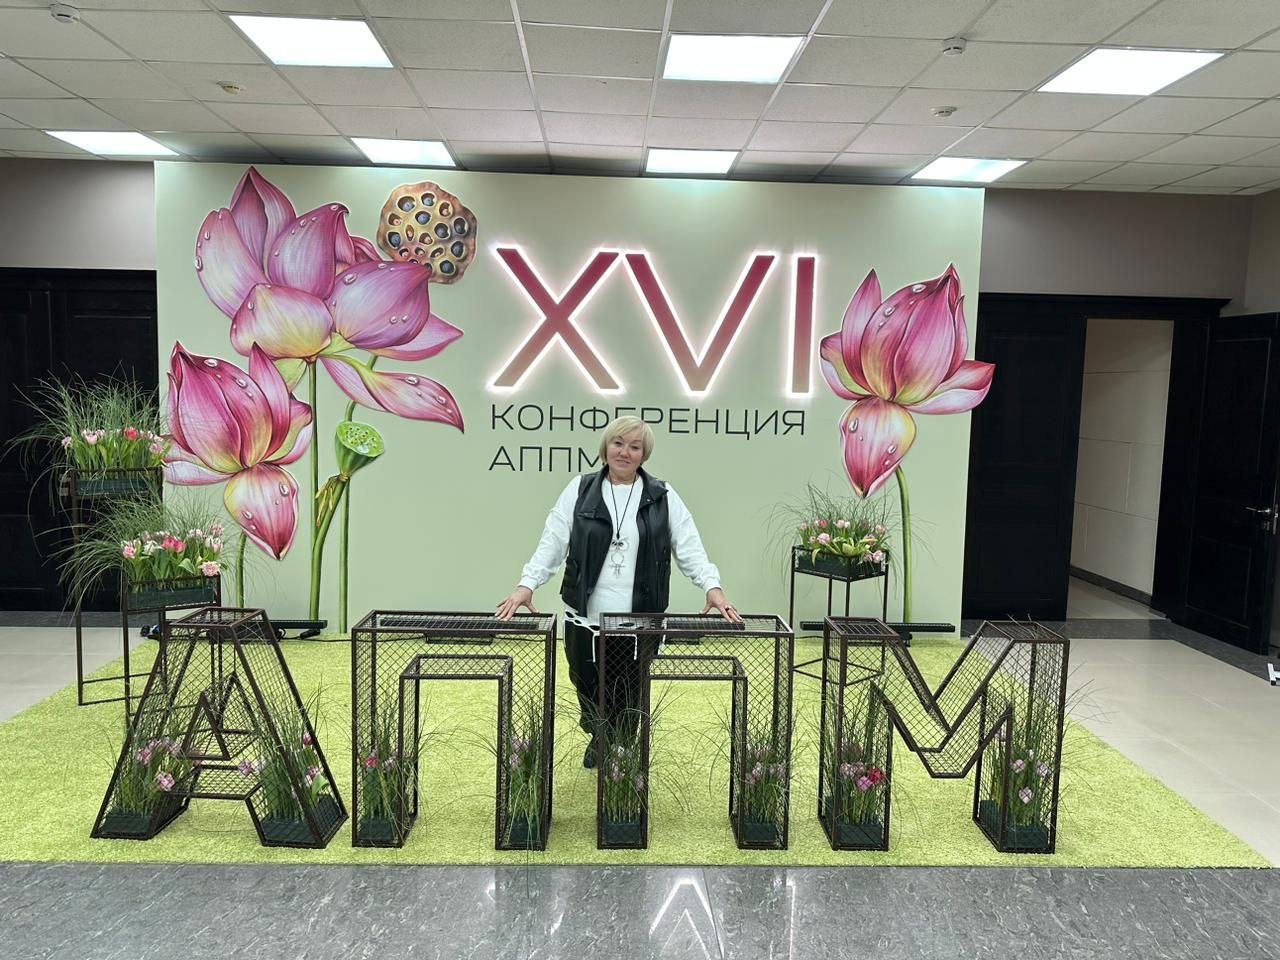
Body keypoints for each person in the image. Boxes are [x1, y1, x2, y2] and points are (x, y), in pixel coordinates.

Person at [496, 415, 741, 768]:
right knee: (585, 682)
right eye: (618, 443)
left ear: (644, 455)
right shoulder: (580, 489)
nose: (625, 452)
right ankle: (599, 734)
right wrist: (527, 584)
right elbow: (553, 541)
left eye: (634, 447)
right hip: (586, 614)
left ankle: (622, 745)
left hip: (638, 616)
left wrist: (712, 587)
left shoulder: (662, 496)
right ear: (605, 447)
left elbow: (689, 546)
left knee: (630, 686)